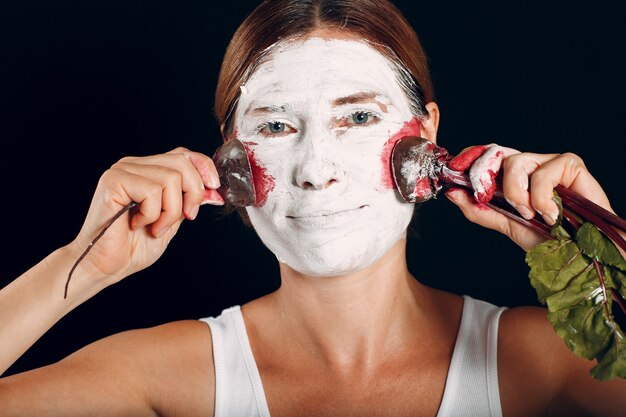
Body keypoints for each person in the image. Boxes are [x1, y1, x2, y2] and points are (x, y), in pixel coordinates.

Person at [1, 0, 625, 415]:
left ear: (427, 135)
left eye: (357, 117)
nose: (316, 169)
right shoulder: (166, 375)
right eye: (274, 126)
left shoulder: (545, 361)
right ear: (229, 160)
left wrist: (611, 259)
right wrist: (82, 266)